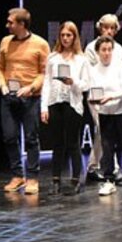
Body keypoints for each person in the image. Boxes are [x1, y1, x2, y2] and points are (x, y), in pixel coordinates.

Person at [0, 7, 50, 195]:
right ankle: (17, 175)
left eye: (10, 22)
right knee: (9, 137)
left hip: (30, 97)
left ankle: (33, 177)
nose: (7, 25)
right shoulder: (5, 41)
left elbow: (44, 72)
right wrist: (2, 86)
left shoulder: (40, 44)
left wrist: (31, 88)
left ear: (22, 24)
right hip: (9, 96)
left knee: (31, 138)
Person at [40, 21, 90, 195]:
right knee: (57, 143)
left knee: (73, 142)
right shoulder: (53, 58)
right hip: (55, 102)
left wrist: (73, 82)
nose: (65, 38)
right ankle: (56, 180)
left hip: (73, 103)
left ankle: (75, 179)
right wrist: (44, 107)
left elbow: (86, 84)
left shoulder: (81, 59)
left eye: (69, 35)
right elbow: (47, 82)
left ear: (74, 37)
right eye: (63, 35)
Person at [88, 37, 122, 196]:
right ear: (97, 52)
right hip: (105, 113)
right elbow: (93, 90)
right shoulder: (93, 70)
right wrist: (94, 101)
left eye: (109, 49)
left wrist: (111, 97)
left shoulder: (121, 66)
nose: (106, 53)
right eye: (103, 50)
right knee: (107, 149)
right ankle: (109, 180)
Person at [84, 13, 122, 183]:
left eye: (112, 28)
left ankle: (92, 167)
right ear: (100, 28)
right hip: (97, 95)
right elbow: (89, 74)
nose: (109, 31)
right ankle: (113, 169)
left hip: (114, 95)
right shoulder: (91, 48)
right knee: (104, 130)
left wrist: (118, 93)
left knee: (104, 132)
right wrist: (95, 96)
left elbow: (121, 72)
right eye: (105, 27)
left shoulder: (120, 49)